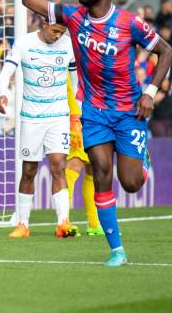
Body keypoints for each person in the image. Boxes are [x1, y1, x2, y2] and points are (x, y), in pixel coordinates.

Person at [16, 0, 172, 266]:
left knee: (130, 183)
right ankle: (117, 250)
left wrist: (149, 91)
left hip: (129, 110)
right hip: (94, 111)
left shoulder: (130, 23)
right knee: (101, 172)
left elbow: (167, 52)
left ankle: (142, 160)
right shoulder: (73, 16)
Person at [0, 21, 80, 239]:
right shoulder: (25, 42)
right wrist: (2, 93)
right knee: (29, 171)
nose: (57, 36)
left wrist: (78, 110)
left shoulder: (68, 45)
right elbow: (6, 73)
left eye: (61, 32)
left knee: (58, 166)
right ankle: (23, 224)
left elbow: (76, 81)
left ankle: (63, 222)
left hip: (59, 117)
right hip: (32, 118)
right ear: (44, 24)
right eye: (55, 31)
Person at [64, 77, 103, 236]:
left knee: (93, 168)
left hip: (96, 113)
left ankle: (94, 223)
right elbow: (69, 83)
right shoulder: (72, 53)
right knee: (75, 163)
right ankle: (63, 221)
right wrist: (74, 113)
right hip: (78, 115)